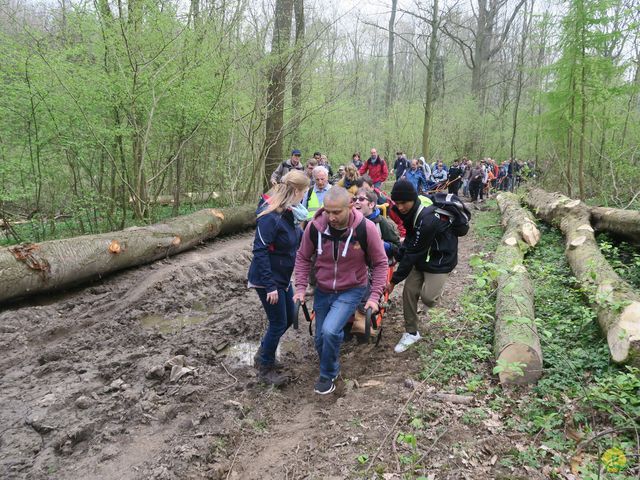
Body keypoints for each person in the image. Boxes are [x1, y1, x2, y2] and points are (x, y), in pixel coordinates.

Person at [293, 187, 388, 395]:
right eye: (327, 211)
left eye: (336, 212)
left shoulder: (366, 228)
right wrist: (300, 287)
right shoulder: (314, 228)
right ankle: (331, 363)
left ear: (350, 206)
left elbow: (381, 263)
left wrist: (374, 296)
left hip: (352, 289)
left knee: (330, 330)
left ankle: (328, 374)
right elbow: (302, 257)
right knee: (320, 339)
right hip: (323, 289)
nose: (331, 217)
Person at [385, 180, 469, 353]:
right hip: (422, 255)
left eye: (403, 203)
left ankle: (435, 288)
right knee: (409, 291)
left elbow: (413, 252)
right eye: (397, 203)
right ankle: (411, 332)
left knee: (428, 298)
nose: (400, 207)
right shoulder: (411, 210)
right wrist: (398, 254)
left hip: (441, 258)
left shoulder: (428, 218)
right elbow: (410, 237)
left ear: (413, 199)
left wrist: (393, 281)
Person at [248, 170, 311, 385]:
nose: (304, 197)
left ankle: (263, 352)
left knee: (288, 317)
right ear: (295, 191)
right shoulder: (270, 217)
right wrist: (270, 286)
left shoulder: (288, 214)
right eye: (303, 192)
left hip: (282, 278)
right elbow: (260, 251)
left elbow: (297, 238)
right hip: (268, 280)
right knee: (278, 322)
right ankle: (265, 368)